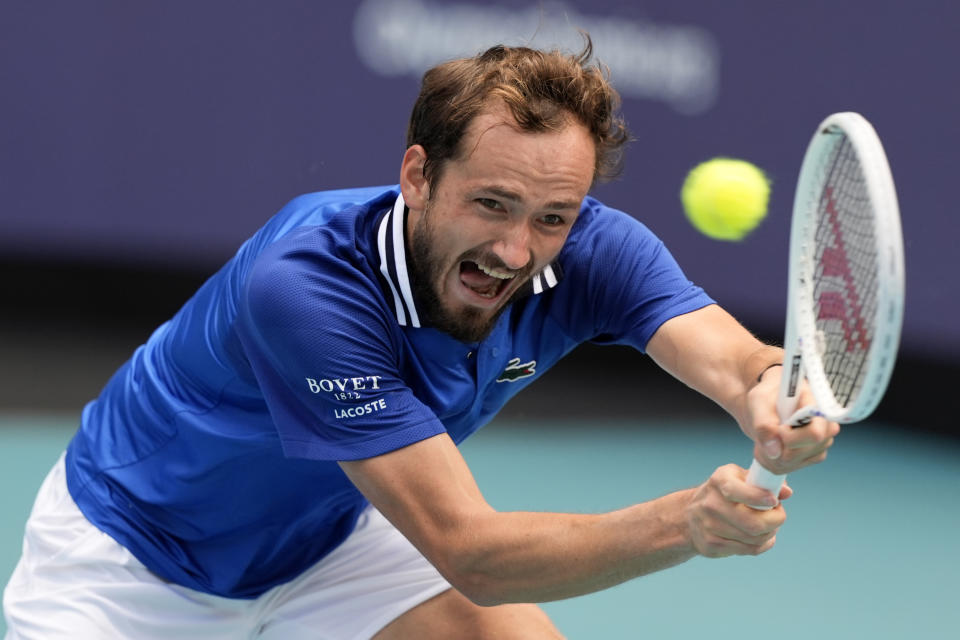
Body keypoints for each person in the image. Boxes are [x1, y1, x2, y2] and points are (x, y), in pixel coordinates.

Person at [3, 40, 839, 639]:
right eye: (492, 204)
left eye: (553, 217)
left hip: (324, 546)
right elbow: (470, 553)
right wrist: (688, 523)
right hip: (129, 564)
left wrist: (769, 391)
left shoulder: (593, 248)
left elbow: (736, 359)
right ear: (417, 177)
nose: (517, 250)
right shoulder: (304, 287)